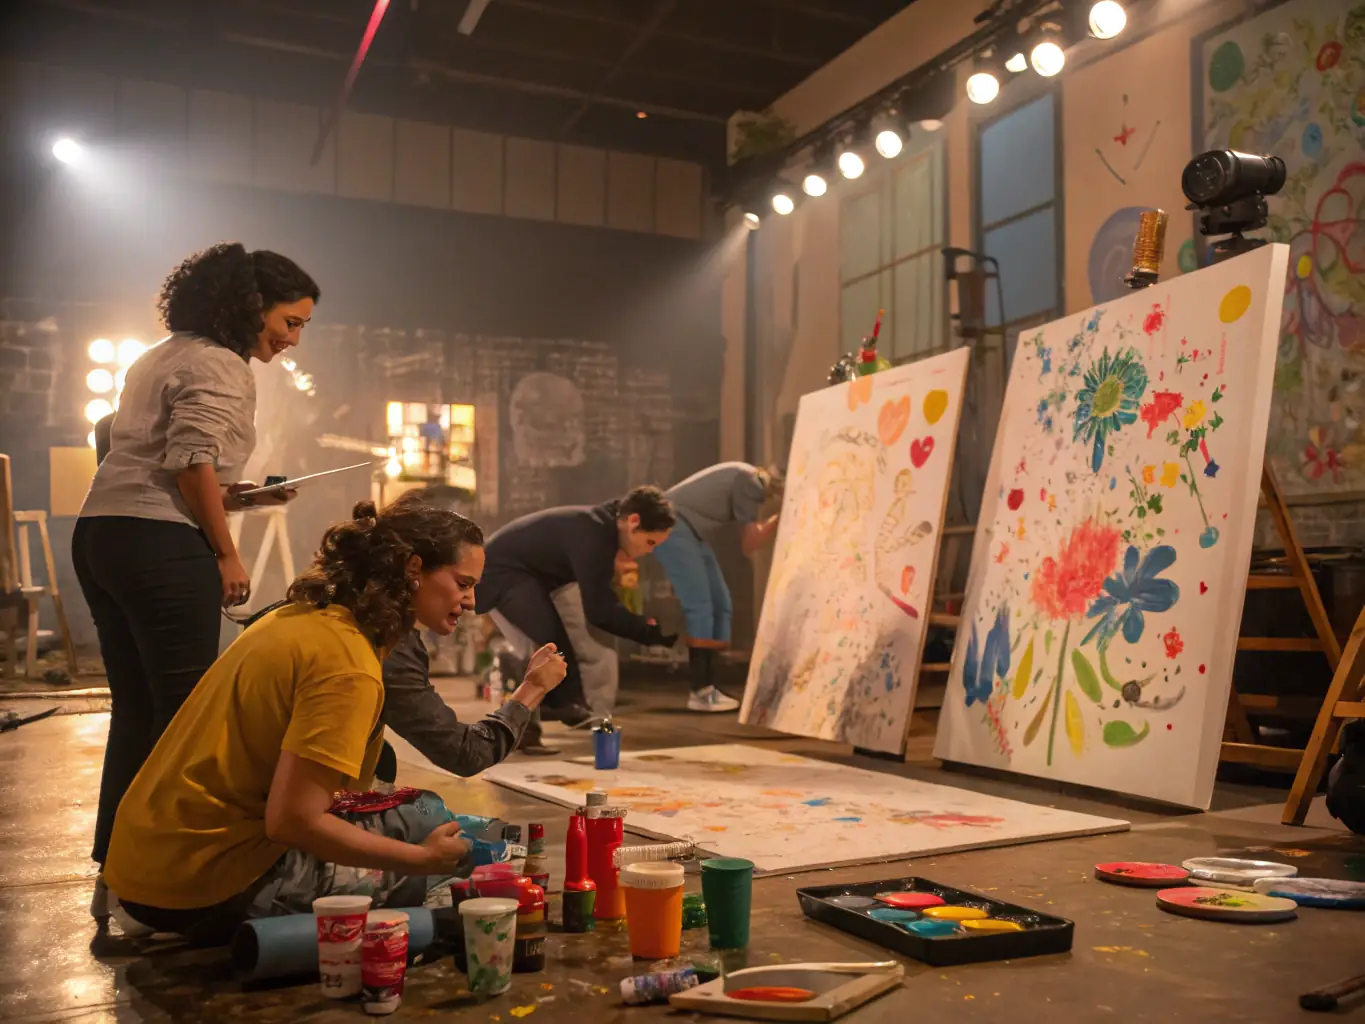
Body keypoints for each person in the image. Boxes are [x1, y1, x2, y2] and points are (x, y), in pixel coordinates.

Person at [101, 496, 567, 944]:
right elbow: (292, 822)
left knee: (430, 813)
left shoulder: (302, 617)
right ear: (413, 571)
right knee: (465, 865)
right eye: (463, 583)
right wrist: (421, 860)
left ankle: (466, 842)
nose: (471, 602)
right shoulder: (348, 666)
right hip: (206, 885)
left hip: (146, 865)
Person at [74, 242, 320, 915]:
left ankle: (115, 867)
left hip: (103, 531)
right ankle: (176, 885)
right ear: (251, 306)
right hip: (158, 543)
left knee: (140, 709)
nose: (293, 339)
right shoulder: (222, 363)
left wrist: (241, 498)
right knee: (185, 717)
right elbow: (188, 463)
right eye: (290, 322)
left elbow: (169, 463)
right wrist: (226, 552)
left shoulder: (160, 355)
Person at [474, 486, 678, 727]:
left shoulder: (603, 526)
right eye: (650, 542)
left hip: (537, 577)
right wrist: (646, 631)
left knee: (557, 646)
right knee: (549, 645)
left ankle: (555, 712)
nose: (648, 552)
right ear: (633, 522)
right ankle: (543, 702)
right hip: (502, 574)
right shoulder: (595, 536)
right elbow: (600, 610)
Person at [652, 463, 782, 712]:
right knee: (700, 606)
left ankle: (711, 686)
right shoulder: (751, 483)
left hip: (689, 530)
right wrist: (781, 518)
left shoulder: (746, 477)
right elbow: (750, 544)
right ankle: (701, 691)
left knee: (722, 605)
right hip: (672, 526)